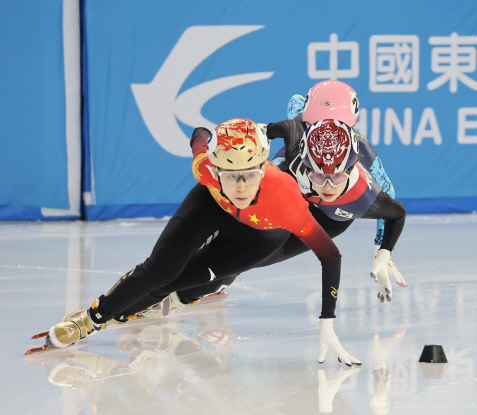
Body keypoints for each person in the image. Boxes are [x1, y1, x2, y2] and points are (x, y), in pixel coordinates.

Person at [28, 118, 360, 367]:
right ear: (215, 168)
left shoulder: (287, 201)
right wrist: (93, 319)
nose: (241, 186)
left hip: (260, 236)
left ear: (264, 166)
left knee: (177, 282)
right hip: (213, 205)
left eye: (250, 174)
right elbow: (200, 134)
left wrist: (327, 322)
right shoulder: (206, 171)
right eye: (230, 175)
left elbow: (330, 257)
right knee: (160, 269)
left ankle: (169, 298)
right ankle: (90, 319)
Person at [173, 80, 408, 307]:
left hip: (326, 218)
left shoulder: (358, 147)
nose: (323, 138)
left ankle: (191, 289)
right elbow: (293, 103)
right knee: (233, 230)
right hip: (288, 190)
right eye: (314, 125)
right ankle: (179, 276)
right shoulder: (298, 118)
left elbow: (387, 195)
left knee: (251, 254)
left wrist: (383, 249)